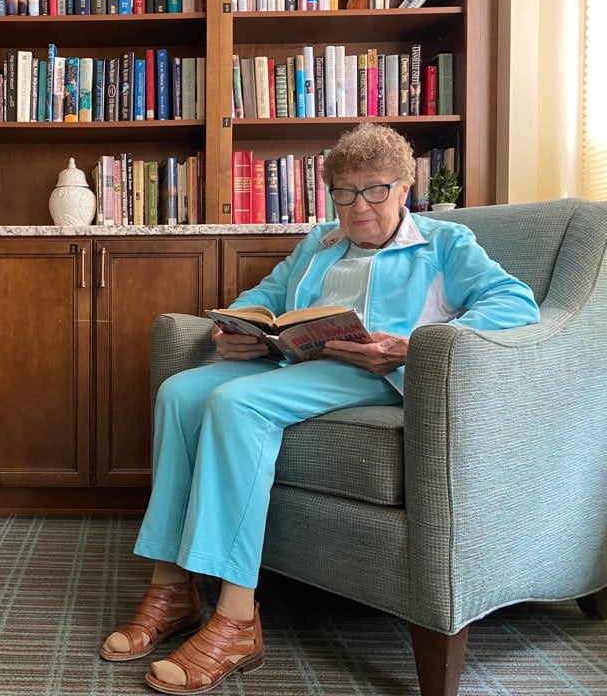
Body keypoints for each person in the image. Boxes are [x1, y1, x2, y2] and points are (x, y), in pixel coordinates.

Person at [99, 123, 541, 695]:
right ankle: (172, 587)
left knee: (236, 405)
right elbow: (267, 295)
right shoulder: (320, 243)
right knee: (180, 393)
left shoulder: (446, 242)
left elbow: (516, 303)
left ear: (404, 187)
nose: (359, 206)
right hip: (298, 363)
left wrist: (413, 344)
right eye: (345, 192)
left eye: (375, 190)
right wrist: (237, 327)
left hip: (376, 374)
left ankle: (235, 618)